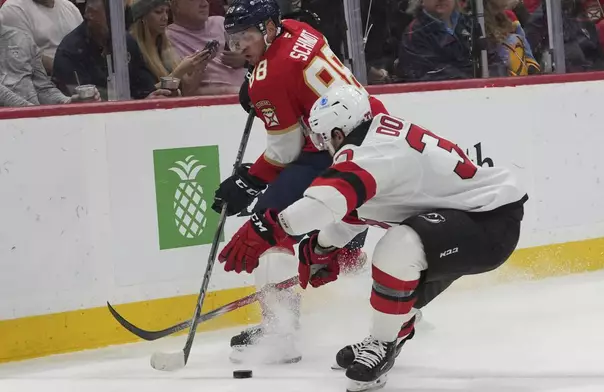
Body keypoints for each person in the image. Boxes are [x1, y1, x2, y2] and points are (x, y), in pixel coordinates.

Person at [218, 84, 528, 391]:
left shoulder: (371, 152)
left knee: (400, 246)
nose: (321, 145)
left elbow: (323, 203)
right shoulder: (379, 134)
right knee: (403, 266)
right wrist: (320, 248)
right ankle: (394, 329)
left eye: (321, 137)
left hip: (488, 225)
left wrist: (268, 226)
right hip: (465, 222)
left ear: (338, 133)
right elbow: (356, 211)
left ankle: (382, 344)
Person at [211, 0, 388, 365]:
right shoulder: (299, 29)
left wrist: (247, 182)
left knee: (267, 223)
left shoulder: (268, 79)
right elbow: (293, 76)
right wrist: (259, 85)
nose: (240, 46)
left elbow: (285, 151)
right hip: (377, 135)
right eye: (233, 40)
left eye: (245, 36)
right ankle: (399, 311)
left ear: (270, 28)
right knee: (354, 231)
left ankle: (281, 334)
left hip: (331, 149)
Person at [129, 0, 211, 95]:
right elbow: (146, 93)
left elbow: (187, 91)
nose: (165, 18)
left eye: (167, 12)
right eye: (158, 12)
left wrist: (199, 68)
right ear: (142, 17)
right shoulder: (133, 48)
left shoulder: (165, 45)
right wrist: (179, 71)